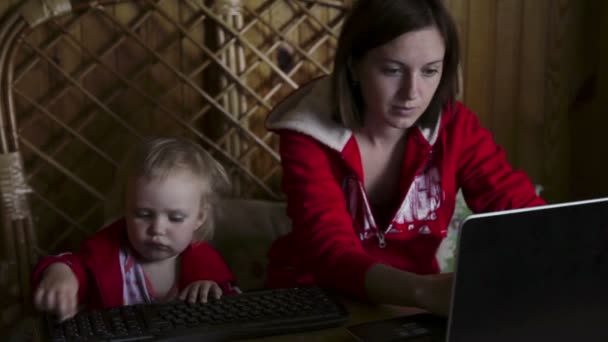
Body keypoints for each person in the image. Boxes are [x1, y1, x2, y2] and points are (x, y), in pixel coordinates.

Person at [265, 0, 545, 316]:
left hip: (415, 306)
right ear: (354, 66)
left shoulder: (455, 126)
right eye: (393, 70)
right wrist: (425, 291)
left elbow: (516, 207)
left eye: (430, 71)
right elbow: (330, 252)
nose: (412, 92)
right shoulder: (307, 135)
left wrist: (566, 248)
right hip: (316, 304)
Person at [32, 137, 238, 321]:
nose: (157, 228)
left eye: (175, 218)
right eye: (143, 214)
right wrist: (61, 273)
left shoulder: (206, 267)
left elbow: (235, 313)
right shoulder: (107, 257)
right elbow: (76, 266)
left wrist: (215, 293)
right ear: (126, 209)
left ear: (199, 218)